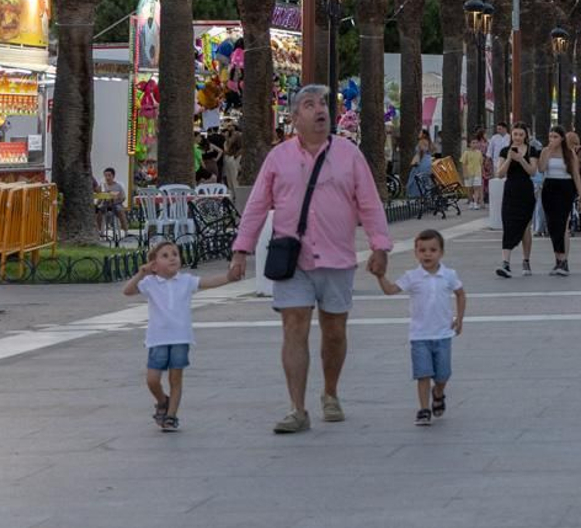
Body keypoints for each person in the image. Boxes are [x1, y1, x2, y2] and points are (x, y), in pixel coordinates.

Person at [228, 84, 392, 434]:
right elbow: (257, 205)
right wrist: (241, 250)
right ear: (294, 117)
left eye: (323, 104)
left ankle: (330, 393)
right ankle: (297, 408)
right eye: (309, 104)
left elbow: (370, 202)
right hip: (293, 260)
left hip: (337, 258)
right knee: (294, 327)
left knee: (334, 332)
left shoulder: (349, 154)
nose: (319, 110)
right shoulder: (278, 158)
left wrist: (380, 247)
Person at [124, 239, 233, 432]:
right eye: (165, 256)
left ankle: (171, 416)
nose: (172, 258)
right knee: (152, 379)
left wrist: (229, 277)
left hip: (181, 338)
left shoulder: (186, 281)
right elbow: (128, 291)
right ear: (154, 265)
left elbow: (209, 282)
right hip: (157, 339)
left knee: (176, 379)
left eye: (175, 254)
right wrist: (141, 273)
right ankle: (162, 400)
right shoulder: (149, 283)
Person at [375, 228, 465, 427]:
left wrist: (459, 319)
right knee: (423, 374)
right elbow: (391, 290)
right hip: (420, 336)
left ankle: (438, 393)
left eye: (432, 250)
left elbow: (460, 293)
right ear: (416, 253)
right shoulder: (412, 276)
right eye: (422, 250)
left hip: (442, 334)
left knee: (443, 374)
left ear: (441, 252)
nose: (427, 254)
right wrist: (380, 277)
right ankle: (424, 409)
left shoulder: (448, 275)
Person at [537, 126, 581, 276]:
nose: (552, 140)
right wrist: (549, 151)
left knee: (563, 224)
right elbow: (541, 168)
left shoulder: (569, 153)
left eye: (555, 137)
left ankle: (564, 261)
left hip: (565, 188)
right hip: (550, 187)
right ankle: (558, 259)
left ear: (562, 138)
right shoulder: (545, 151)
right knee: (552, 225)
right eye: (550, 137)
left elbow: (576, 175)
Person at [495, 123, 539, 278]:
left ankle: (526, 260)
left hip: (526, 191)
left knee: (525, 227)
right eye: (515, 134)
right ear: (511, 135)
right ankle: (505, 263)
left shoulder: (532, 150)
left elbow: (533, 171)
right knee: (508, 224)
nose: (518, 137)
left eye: (521, 134)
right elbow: (499, 174)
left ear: (525, 136)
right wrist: (509, 159)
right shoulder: (504, 151)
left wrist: (521, 159)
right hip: (510, 190)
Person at [95, 167, 126, 237]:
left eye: (109, 175)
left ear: (113, 176)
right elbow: (100, 197)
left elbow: (123, 197)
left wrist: (117, 200)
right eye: (105, 175)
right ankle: (99, 231)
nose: (107, 177)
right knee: (98, 212)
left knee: (120, 211)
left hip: (115, 204)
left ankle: (125, 230)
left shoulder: (118, 186)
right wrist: (96, 204)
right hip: (105, 204)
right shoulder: (103, 186)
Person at [462, 131, 487, 210]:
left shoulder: (479, 153)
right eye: (473, 143)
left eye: (476, 143)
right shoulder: (466, 153)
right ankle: (471, 201)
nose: (475, 144)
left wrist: (483, 172)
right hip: (469, 173)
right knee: (470, 189)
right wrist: (465, 173)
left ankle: (476, 202)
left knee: (476, 187)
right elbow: (464, 164)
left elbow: (481, 163)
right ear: (469, 144)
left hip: (477, 173)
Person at [407, 130, 435, 200]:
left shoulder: (422, 141)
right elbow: (433, 150)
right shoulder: (429, 141)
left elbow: (422, 151)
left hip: (422, 161)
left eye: (420, 133)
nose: (419, 134)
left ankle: (419, 195)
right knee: (425, 179)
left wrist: (417, 161)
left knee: (417, 178)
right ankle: (427, 196)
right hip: (428, 160)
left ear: (424, 134)